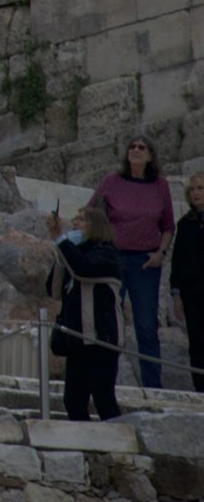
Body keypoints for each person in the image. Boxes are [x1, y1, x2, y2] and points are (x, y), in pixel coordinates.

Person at [90, 137, 176, 390]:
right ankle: (105, 384)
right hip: (115, 260)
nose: (136, 150)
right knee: (108, 324)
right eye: (132, 147)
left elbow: (168, 225)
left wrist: (161, 252)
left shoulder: (160, 186)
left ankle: (153, 387)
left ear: (150, 156)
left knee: (147, 326)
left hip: (145, 262)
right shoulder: (112, 181)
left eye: (142, 147)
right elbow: (92, 213)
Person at [48, 200, 126, 421]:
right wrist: (62, 254)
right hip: (77, 339)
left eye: (82, 220)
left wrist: (62, 241)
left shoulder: (108, 254)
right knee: (73, 400)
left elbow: (85, 269)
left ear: (97, 225)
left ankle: (116, 446)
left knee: (103, 398)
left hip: (101, 339)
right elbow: (53, 290)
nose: (75, 223)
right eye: (75, 219)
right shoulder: (74, 254)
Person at [171, 171, 203, 394]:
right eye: (192, 189)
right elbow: (178, 261)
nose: (196, 193)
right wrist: (176, 294)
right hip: (193, 294)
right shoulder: (185, 224)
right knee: (197, 344)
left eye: (200, 188)